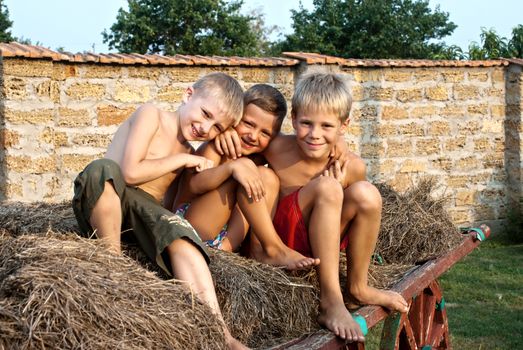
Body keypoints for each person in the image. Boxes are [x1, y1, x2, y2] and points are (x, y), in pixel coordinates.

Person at [225, 71, 409, 342]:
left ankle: (357, 286)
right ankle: (330, 300)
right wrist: (225, 136)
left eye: (327, 127)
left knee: (367, 194)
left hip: (322, 242)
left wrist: (341, 147)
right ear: (294, 117)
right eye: (307, 123)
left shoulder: (352, 165)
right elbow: (243, 143)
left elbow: (354, 215)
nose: (314, 135)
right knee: (315, 184)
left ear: (344, 126)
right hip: (279, 241)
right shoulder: (276, 147)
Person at [72, 72, 248, 349]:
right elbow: (129, 173)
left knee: (180, 234)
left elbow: (167, 208)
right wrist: (183, 158)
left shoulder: (190, 152)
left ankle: (222, 334)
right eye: (204, 114)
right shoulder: (152, 115)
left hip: (141, 214)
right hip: (108, 198)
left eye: (216, 127)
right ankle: (112, 264)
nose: (205, 128)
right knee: (101, 168)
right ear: (188, 94)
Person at [171, 84, 319, 270]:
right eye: (248, 124)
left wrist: (340, 148)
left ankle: (254, 250)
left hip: (223, 240)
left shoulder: (259, 155)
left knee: (267, 176)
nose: (253, 136)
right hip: (189, 225)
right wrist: (232, 167)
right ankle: (274, 247)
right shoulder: (216, 146)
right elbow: (194, 185)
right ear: (236, 119)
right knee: (243, 172)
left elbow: (301, 147)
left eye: (265, 133)